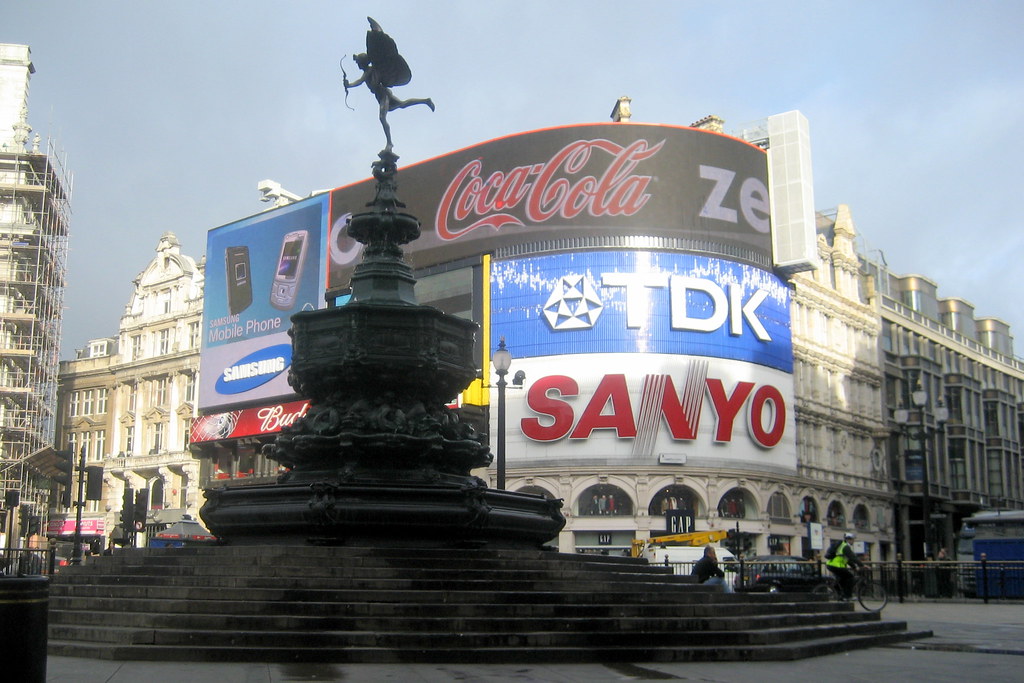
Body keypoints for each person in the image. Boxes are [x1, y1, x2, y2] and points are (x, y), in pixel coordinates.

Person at [825, 532, 864, 599]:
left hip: (832, 565)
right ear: (848, 539)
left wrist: (854, 567)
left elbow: (848, 560)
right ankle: (848, 596)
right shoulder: (845, 547)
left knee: (843, 579)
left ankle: (839, 594)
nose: (853, 541)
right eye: (852, 539)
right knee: (850, 577)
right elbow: (853, 557)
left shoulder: (843, 546)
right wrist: (862, 565)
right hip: (835, 566)